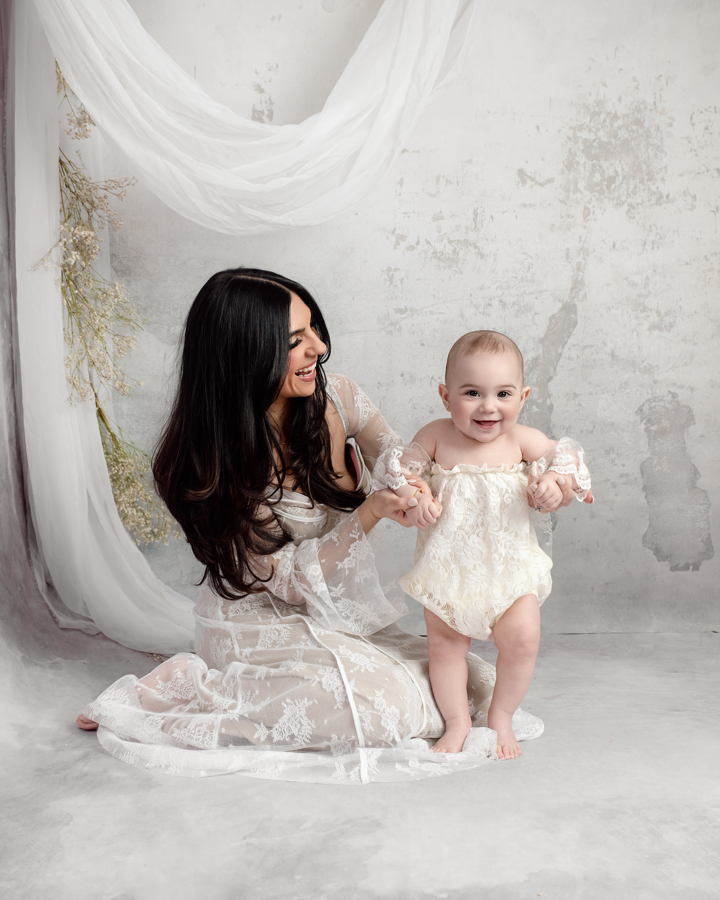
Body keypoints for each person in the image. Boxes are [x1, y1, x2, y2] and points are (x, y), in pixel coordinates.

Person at [76, 271, 578, 784]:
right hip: (260, 618)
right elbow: (289, 583)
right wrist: (372, 512)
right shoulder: (220, 463)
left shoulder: (338, 398)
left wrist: (421, 488)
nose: (318, 346)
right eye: (296, 340)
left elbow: (406, 458)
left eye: (313, 328)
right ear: (247, 353)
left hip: (332, 607)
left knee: (460, 686)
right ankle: (179, 686)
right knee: (386, 709)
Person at [387, 330, 592, 758]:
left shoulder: (521, 441)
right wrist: (416, 495)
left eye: (503, 393)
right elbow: (399, 470)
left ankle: (500, 717)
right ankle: (458, 721)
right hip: (449, 570)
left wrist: (555, 483)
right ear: (446, 396)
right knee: (445, 648)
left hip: (510, 570)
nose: (488, 405)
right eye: (472, 392)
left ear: (523, 396)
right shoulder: (437, 435)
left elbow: (565, 456)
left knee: (522, 641)